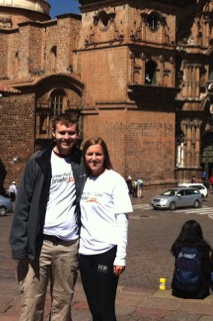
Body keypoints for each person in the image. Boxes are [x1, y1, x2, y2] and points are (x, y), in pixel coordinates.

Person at [9, 112, 87, 321]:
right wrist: (20, 246)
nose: (66, 137)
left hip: (69, 245)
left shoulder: (82, 162)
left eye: (71, 133)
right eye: (62, 132)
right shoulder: (38, 161)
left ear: (77, 134)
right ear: (53, 133)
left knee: (62, 305)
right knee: (32, 303)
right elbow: (23, 205)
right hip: (39, 244)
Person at [78, 137, 133, 321]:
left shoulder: (115, 180)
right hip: (85, 253)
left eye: (98, 154)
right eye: (90, 154)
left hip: (107, 251)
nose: (94, 158)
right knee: (94, 307)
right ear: (84, 156)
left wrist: (120, 257)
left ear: (105, 156)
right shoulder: (82, 179)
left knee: (105, 308)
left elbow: (123, 220)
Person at [170, 220, 211, 299]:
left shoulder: (178, 246)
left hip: (178, 290)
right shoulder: (203, 248)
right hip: (198, 291)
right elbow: (207, 270)